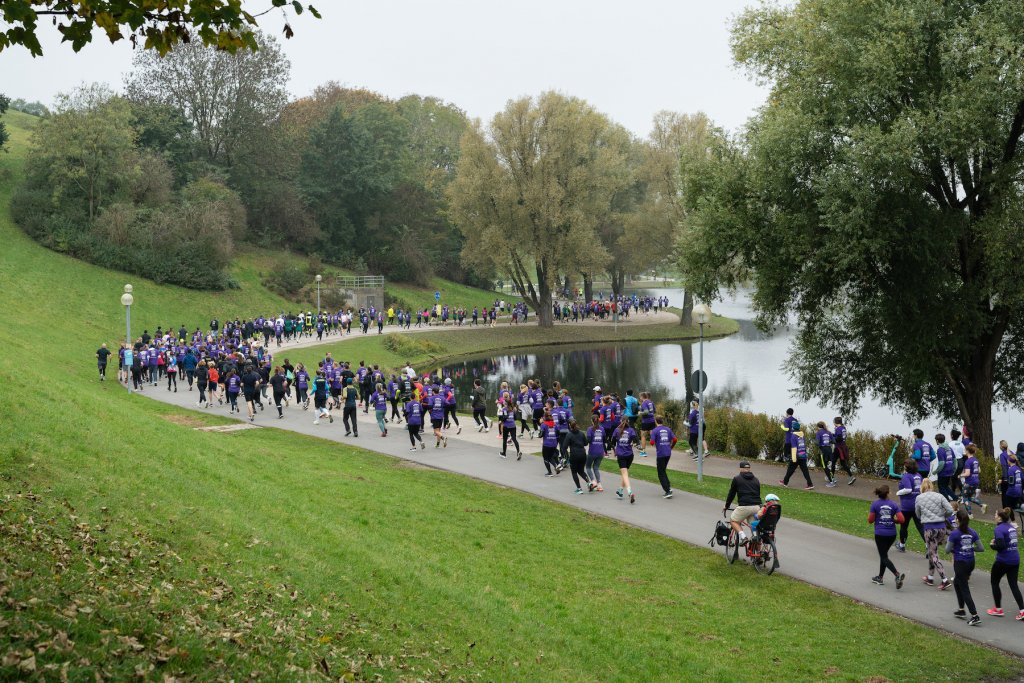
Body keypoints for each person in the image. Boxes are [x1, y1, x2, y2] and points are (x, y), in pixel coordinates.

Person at [947, 508, 983, 626]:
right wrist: (970, 548)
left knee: (964, 588)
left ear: (957, 520)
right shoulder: (972, 532)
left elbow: (947, 550)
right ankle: (961, 610)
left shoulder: (955, 534)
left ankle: (975, 615)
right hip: (970, 562)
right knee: (957, 582)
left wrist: (954, 546)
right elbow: (981, 548)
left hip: (960, 563)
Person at [915, 478, 954, 589]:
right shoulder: (940, 496)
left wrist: (924, 517)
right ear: (931, 486)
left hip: (929, 528)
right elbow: (950, 510)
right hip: (941, 528)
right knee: (932, 551)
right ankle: (930, 577)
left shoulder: (919, 498)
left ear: (922, 487)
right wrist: (942, 517)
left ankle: (944, 579)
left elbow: (917, 514)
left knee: (934, 554)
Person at [988, 507, 1024, 619]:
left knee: (994, 582)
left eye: (995, 514)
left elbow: (1001, 546)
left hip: (1003, 560)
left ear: (999, 517)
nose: (994, 516)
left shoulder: (999, 529)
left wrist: (992, 545)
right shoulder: (1011, 527)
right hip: (1015, 559)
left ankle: (998, 609)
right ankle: (1022, 610)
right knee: (1013, 585)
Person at [868, 485, 906, 588]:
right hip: (891, 534)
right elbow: (902, 520)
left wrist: (877, 517)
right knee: (884, 555)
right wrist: (893, 520)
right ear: (888, 493)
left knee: (883, 556)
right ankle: (880, 578)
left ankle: (897, 575)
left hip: (880, 534)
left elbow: (870, 520)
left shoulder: (875, 504)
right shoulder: (894, 504)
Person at [724, 461, 761, 545]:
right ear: (749, 469)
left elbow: (731, 494)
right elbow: (758, 494)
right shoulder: (756, 479)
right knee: (753, 527)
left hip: (744, 506)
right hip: (756, 507)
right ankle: (758, 552)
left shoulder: (737, 478)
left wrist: (726, 506)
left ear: (740, 469)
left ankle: (743, 537)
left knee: (733, 521)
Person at [895, 459, 924, 552]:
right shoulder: (919, 476)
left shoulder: (906, 476)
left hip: (907, 506)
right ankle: (928, 547)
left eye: (905, 466)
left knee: (904, 526)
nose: (904, 467)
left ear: (907, 467)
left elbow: (908, 489)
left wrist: (898, 492)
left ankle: (902, 545)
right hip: (918, 505)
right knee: (920, 526)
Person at [779, 421, 814, 490]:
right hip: (803, 455)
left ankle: (785, 482)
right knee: (805, 471)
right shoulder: (802, 435)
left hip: (796, 456)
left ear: (793, 428)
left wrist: (794, 458)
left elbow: (794, 448)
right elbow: (804, 446)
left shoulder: (793, 436)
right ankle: (810, 484)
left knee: (790, 469)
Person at [560, 419, 592, 494]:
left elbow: (564, 447)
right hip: (583, 454)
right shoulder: (581, 433)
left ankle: (579, 488)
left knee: (574, 472)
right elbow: (586, 443)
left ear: (569, 426)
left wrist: (564, 456)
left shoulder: (569, 434)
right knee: (581, 471)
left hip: (574, 455)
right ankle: (589, 483)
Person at [650, 416, 677, 499]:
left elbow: (651, 442)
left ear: (656, 422)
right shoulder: (668, 429)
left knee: (660, 473)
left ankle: (667, 491)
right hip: (668, 453)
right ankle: (668, 487)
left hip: (661, 453)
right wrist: (671, 447)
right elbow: (675, 439)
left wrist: (653, 438)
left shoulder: (654, 430)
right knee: (663, 470)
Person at [612, 421, 639, 504]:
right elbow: (636, 441)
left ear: (621, 421)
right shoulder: (631, 430)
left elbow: (612, 442)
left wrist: (614, 450)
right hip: (630, 455)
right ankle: (620, 491)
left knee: (624, 474)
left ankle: (630, 492)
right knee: (625, 473)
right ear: (628, 422)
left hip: (621, 455)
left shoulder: (617, 430)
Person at [960, 444, 987, 515]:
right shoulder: (976, 460)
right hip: (976, 481)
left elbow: (967, 474)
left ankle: (970, 514)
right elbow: (979, 470)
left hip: (969, 482)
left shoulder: (968, 461)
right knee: (970, 497)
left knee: (965, 497)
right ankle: (982, 505)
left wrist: (960, 475)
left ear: (968, 451)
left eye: (965, 450)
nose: (965, 451)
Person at [832, 416, 856, 485]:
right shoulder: (843, 428)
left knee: (833, 462)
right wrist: (833, 435)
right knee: (843, 463)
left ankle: (831, 477)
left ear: (836, 422)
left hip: (838, 448)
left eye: (834, 422)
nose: (833, 423)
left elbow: (839, 438)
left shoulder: (838, 429)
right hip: (843, 447)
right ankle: (851, 476)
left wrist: (832, 439)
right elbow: (842, 436)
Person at [585, 415, 605, 492]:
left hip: (592, 451)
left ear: (592, 421)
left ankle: (593, 481)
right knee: (596, 467)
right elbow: (603, 439)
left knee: (588, 467)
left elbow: (589, 440)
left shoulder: (590, 429)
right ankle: (599, 485)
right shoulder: (602, 429)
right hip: (600, 451)